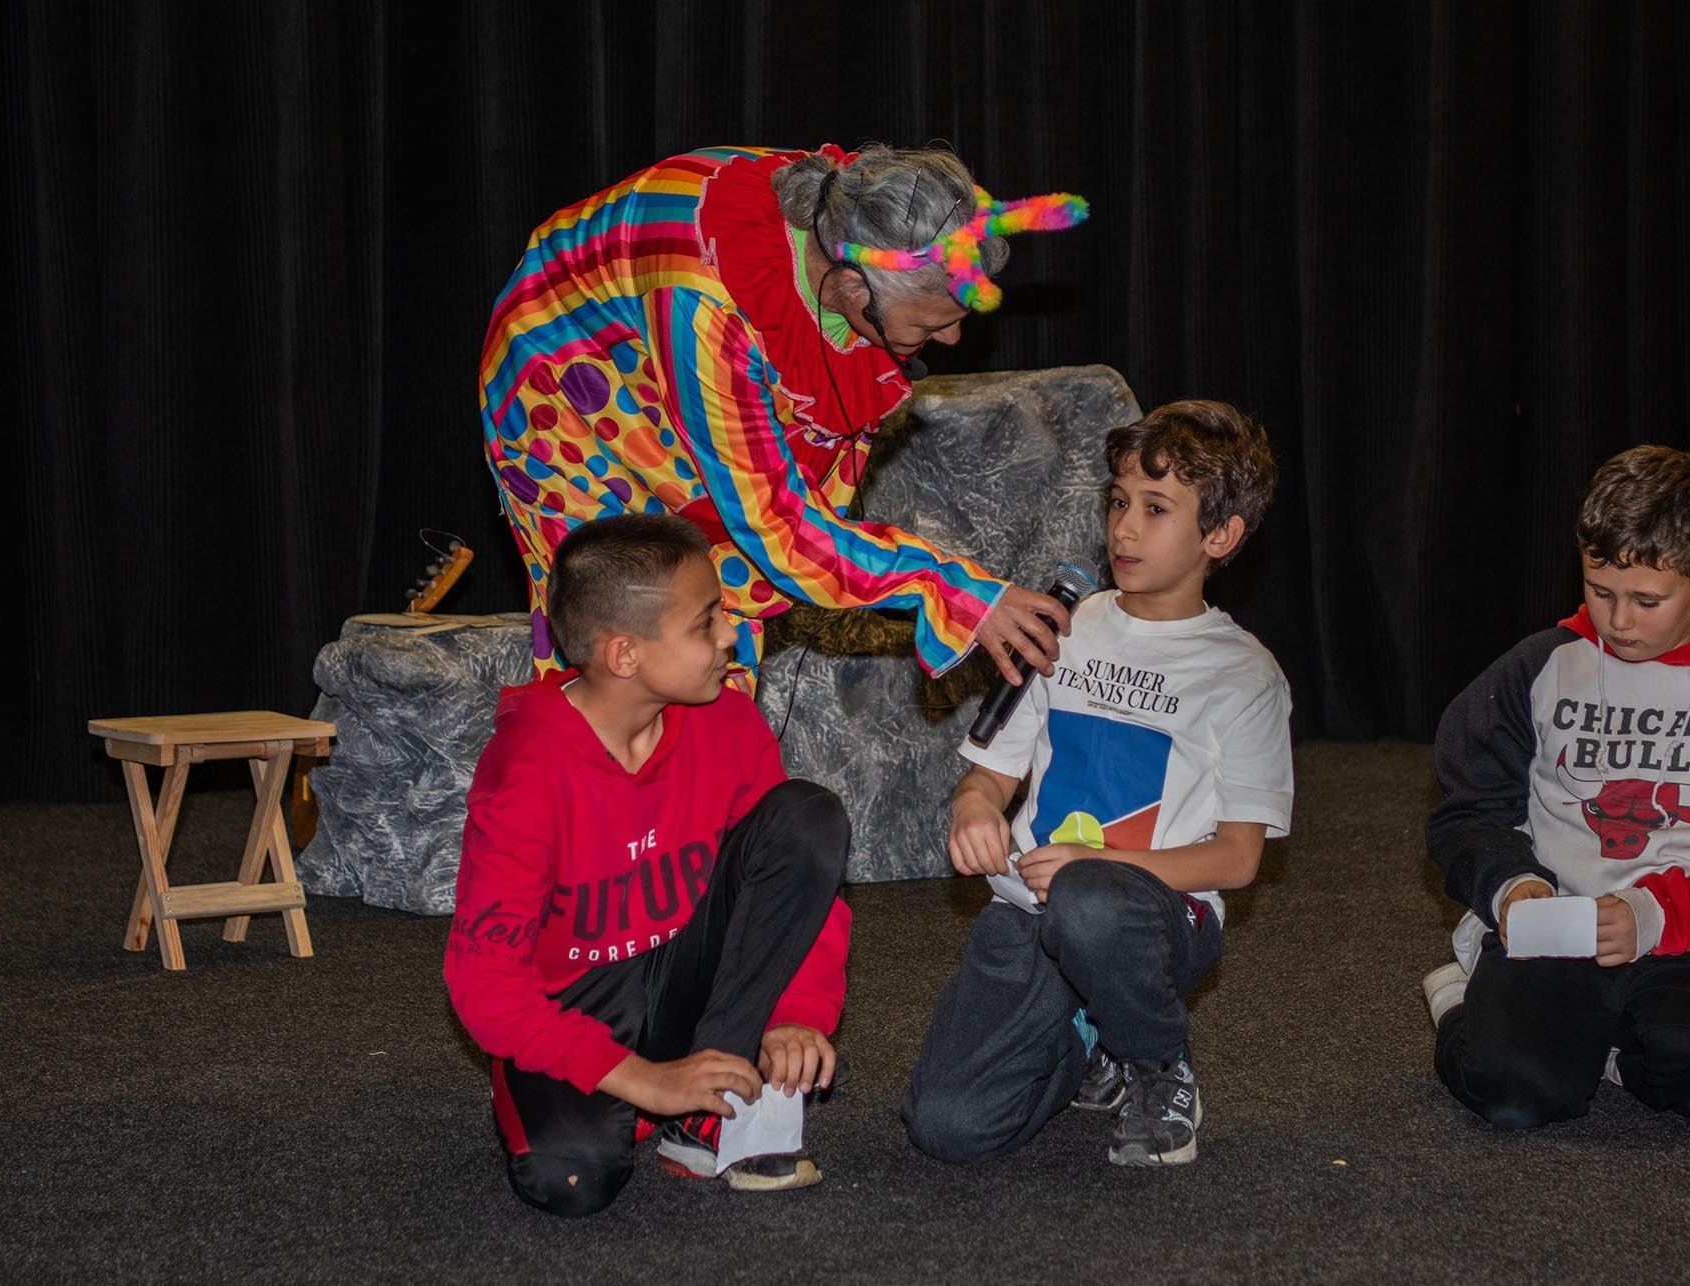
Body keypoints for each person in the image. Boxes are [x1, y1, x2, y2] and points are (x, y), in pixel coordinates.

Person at [478, 142, 1089, 691]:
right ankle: (601, 787)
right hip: (566, 384)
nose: (954, 339)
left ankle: (708, 782)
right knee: (631, 623)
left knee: (716, 619)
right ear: (851, 289)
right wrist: (953, 590)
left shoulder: (856, 209)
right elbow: (777, 527)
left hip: (671, 352)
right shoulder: (711, 305)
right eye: (935, 324)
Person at [902, 400, 1292, 1168]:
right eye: (1118, 502)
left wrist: (1099, 870)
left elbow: (1239, 859)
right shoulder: (1063, 624)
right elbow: (987, 780)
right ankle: (1094, 1039)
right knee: (949, 1128)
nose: (1124, 529)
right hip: (1029, 912)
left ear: (1221, 537)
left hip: (1156, 919)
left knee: (1090, 905)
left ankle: (1156, 1063)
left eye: (1155, 509)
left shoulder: (1243, 673)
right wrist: (973, 811)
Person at [444, 513, 852, 1215]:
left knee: (807, 816)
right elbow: (482, 983)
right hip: (577, 1003)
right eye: (706, 622)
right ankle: (652, 1096)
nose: (731, 635)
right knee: (569, 1182)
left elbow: (796, 884)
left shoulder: (726, 720)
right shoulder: (528, 771)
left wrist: (793, 1010)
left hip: (685, 972)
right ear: (624, 655)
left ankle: (705, 1110)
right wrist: (642, 1081)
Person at [1421, 445, 1690, 1130]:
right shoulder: (1541, 666)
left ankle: (1607, 1040)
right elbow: (1469, 810)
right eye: (1600, 591)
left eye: (1647, 600)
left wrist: (1656, 915)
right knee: (1515, 1093)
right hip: (1562, 925)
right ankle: (1466, 998)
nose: (1619, 621)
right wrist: (1514, 885)